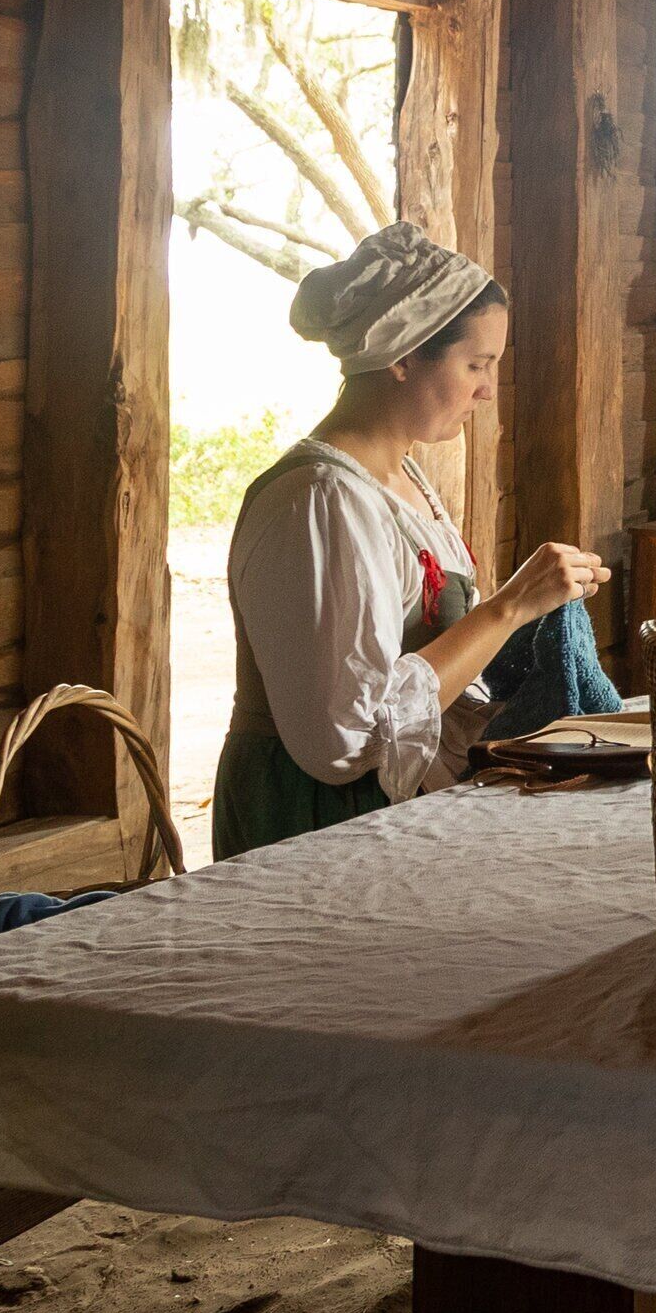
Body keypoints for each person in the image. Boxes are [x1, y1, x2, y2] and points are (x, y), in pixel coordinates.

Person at [217, 223, 613, 857]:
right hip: (313, 825)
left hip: (381, 812)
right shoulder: (319, 501)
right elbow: (347, 739)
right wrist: (509, 609)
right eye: (476, 364)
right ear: (402, 356)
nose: (488, 388)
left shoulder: (401, 477)